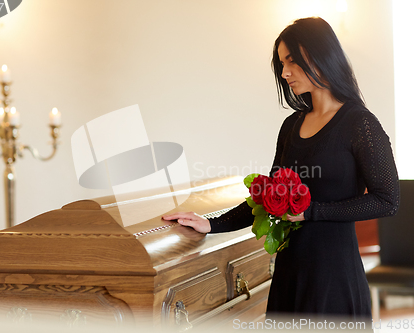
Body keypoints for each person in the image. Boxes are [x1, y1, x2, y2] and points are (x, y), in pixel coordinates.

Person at [163, 17, 399, 327]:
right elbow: (267, 198)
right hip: (289, 271)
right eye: (281, 63)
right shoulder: (291, 126)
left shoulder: (360, 124)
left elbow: (387, 200)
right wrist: (211, 223)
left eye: (291, 61)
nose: (284, 72)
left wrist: (311, 212)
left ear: (317, 55)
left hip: (334, 276)